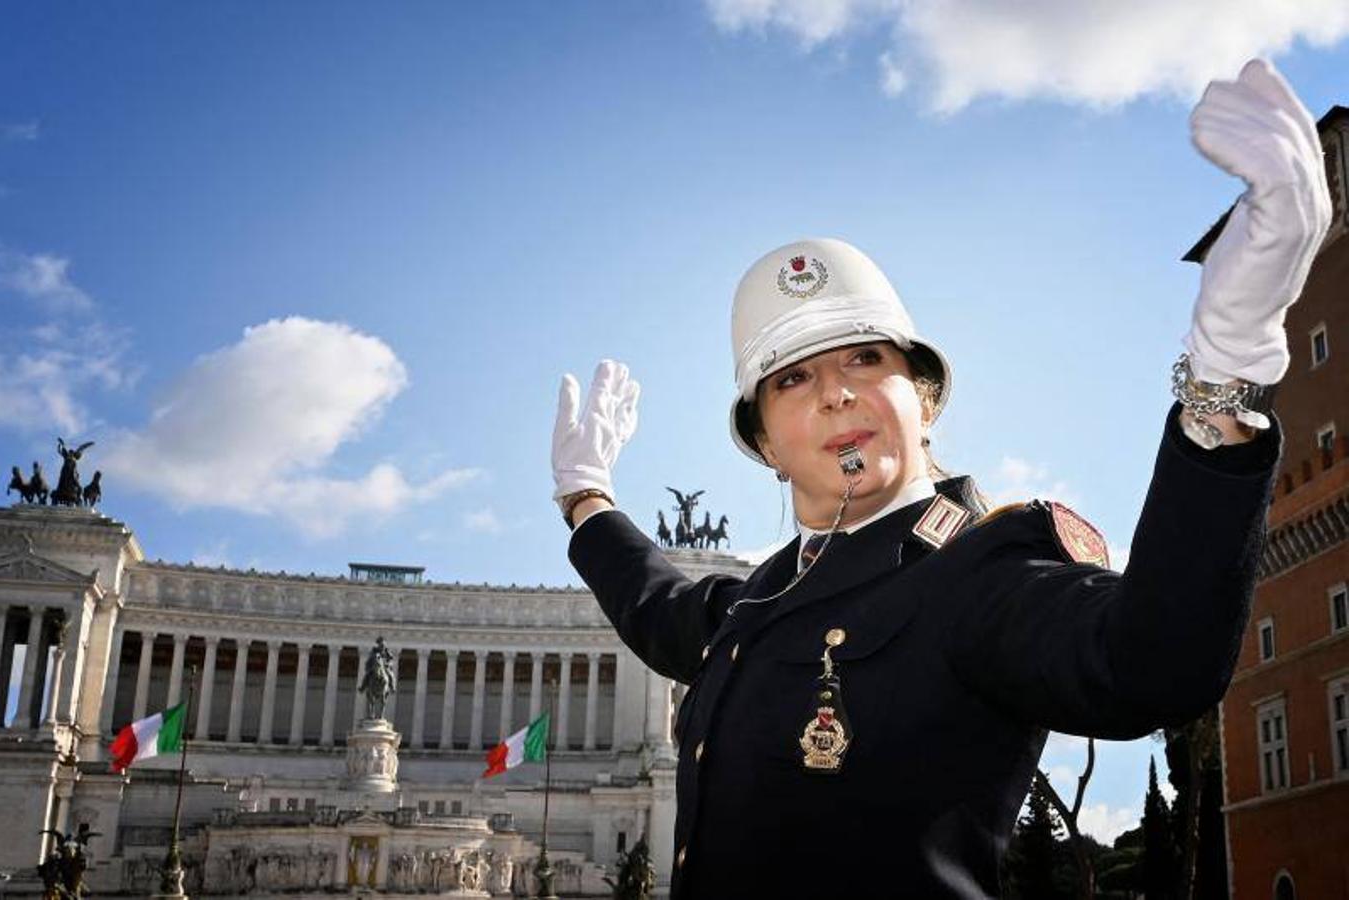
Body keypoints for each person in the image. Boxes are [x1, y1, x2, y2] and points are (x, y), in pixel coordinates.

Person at [550, 59, 1331, 898]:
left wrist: (1223, 376)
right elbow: (655, 606)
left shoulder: (978, 572)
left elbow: (1147, 663)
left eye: (864, 358)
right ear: (765, 443)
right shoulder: (753, 604)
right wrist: (585, 495)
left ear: (920, 402)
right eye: (792, 379)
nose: (835, 391)